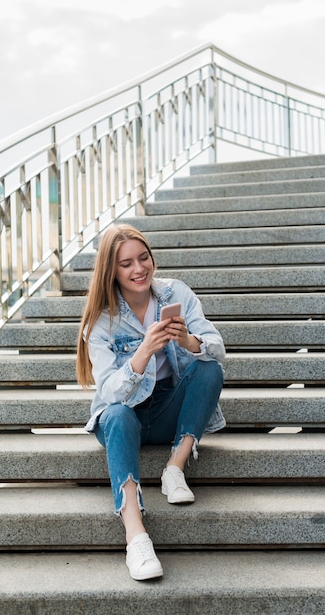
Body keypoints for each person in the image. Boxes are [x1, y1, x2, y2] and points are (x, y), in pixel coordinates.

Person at [76, 223, 225, 581]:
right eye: (126, 263)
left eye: (144, 258)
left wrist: (188, 341)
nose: (139, 269)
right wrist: (142, 353)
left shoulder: (176, 292)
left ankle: (174, 467)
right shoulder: (101, 321)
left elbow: (217, 348)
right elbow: (109, 391)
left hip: (165, 412)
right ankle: (136, 536)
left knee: (209, 369)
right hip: (122, 419)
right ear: (111, 271)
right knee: (116, 415)